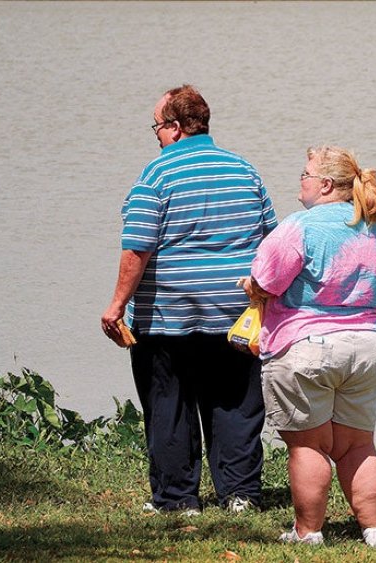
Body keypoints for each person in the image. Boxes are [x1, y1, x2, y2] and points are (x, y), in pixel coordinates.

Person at [101, 84, 277, 515]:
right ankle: (239, 495)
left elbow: (137, 246)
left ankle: (178, 499)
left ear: (176, 128)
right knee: (235, 403)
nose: (156, 136)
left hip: (168, 316)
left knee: (168, 404)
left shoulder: (156, 174)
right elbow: (272, 240)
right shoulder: (244, 170)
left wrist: (116, 305)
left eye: (157, 127)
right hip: (234, 314)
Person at [242, 146, 376, 548]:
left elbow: (265, 280)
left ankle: (308, 532)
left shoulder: (301, 226)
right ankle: (375, 530)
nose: (300, 182)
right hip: (368, 346)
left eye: (305, 174)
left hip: (307, 347)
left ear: (326, 185)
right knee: (358, 444)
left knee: (307, 445)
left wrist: (251, 288)